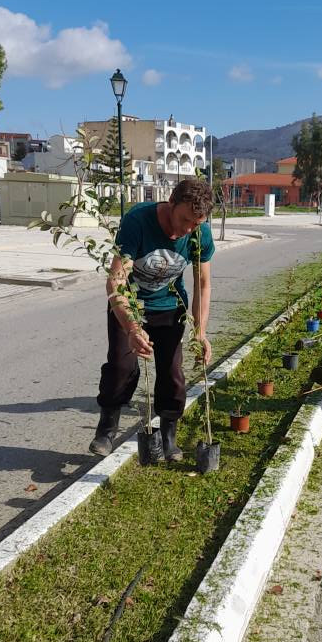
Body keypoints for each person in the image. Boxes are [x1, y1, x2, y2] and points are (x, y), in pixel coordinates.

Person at [89, 177, 214, 460]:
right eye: (184, 220)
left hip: (171, 308)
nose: (187, 230)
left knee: (172, 372)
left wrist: (200, 333)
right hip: (131, 306)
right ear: (171, 203)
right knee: (121, 366)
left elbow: (202, 284)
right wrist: (132, 327)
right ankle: (107, 428)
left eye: (196, 223)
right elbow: (117, 280)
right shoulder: (138, 220)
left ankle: (168, 434)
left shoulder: (199, 234)